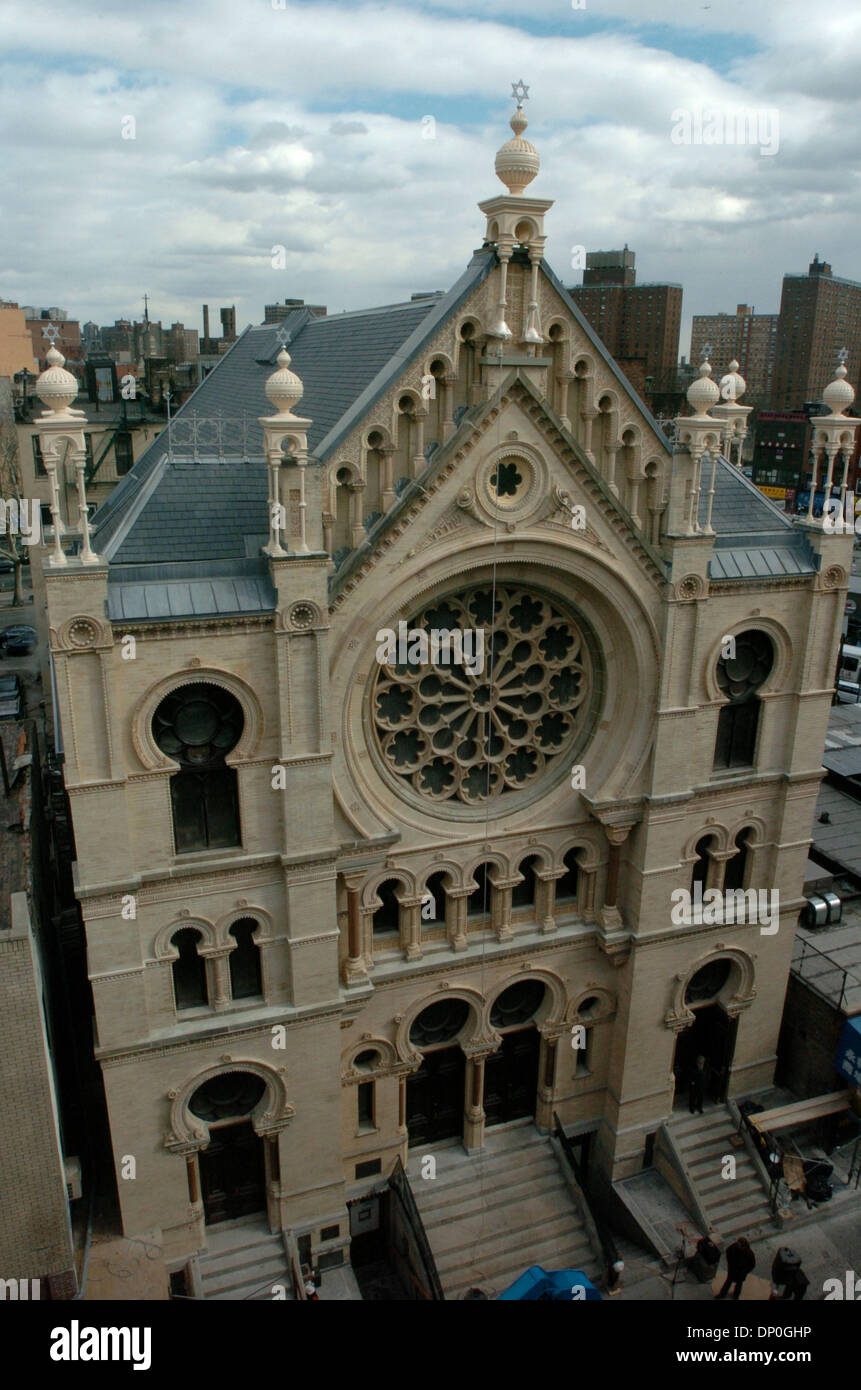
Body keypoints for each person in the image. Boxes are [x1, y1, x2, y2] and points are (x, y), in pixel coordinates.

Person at [715, 1236, 756, 1300]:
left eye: (739, 1244)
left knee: (738, 1284)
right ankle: (722, 1294)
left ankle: (736, 1296)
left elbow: (752, 1264)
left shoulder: (749, 1253)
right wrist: (730, 1262)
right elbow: (728, 1251)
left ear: (743, 1245)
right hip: (733, 1270)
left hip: (741, 1272)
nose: (737, 1245)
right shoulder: (734, 1246)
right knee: (728, 1282)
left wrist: (745, 1271)